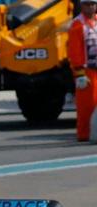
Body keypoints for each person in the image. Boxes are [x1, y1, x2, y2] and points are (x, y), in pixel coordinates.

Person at [69, 0, 97, 142]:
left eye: (93, 4)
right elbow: (74, 51)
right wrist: (79, 73)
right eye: (87, 4)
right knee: (87, 105)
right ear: (81, 6)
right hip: (87, 71)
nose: (90, 6)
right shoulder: (77, 24)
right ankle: (84, 134)